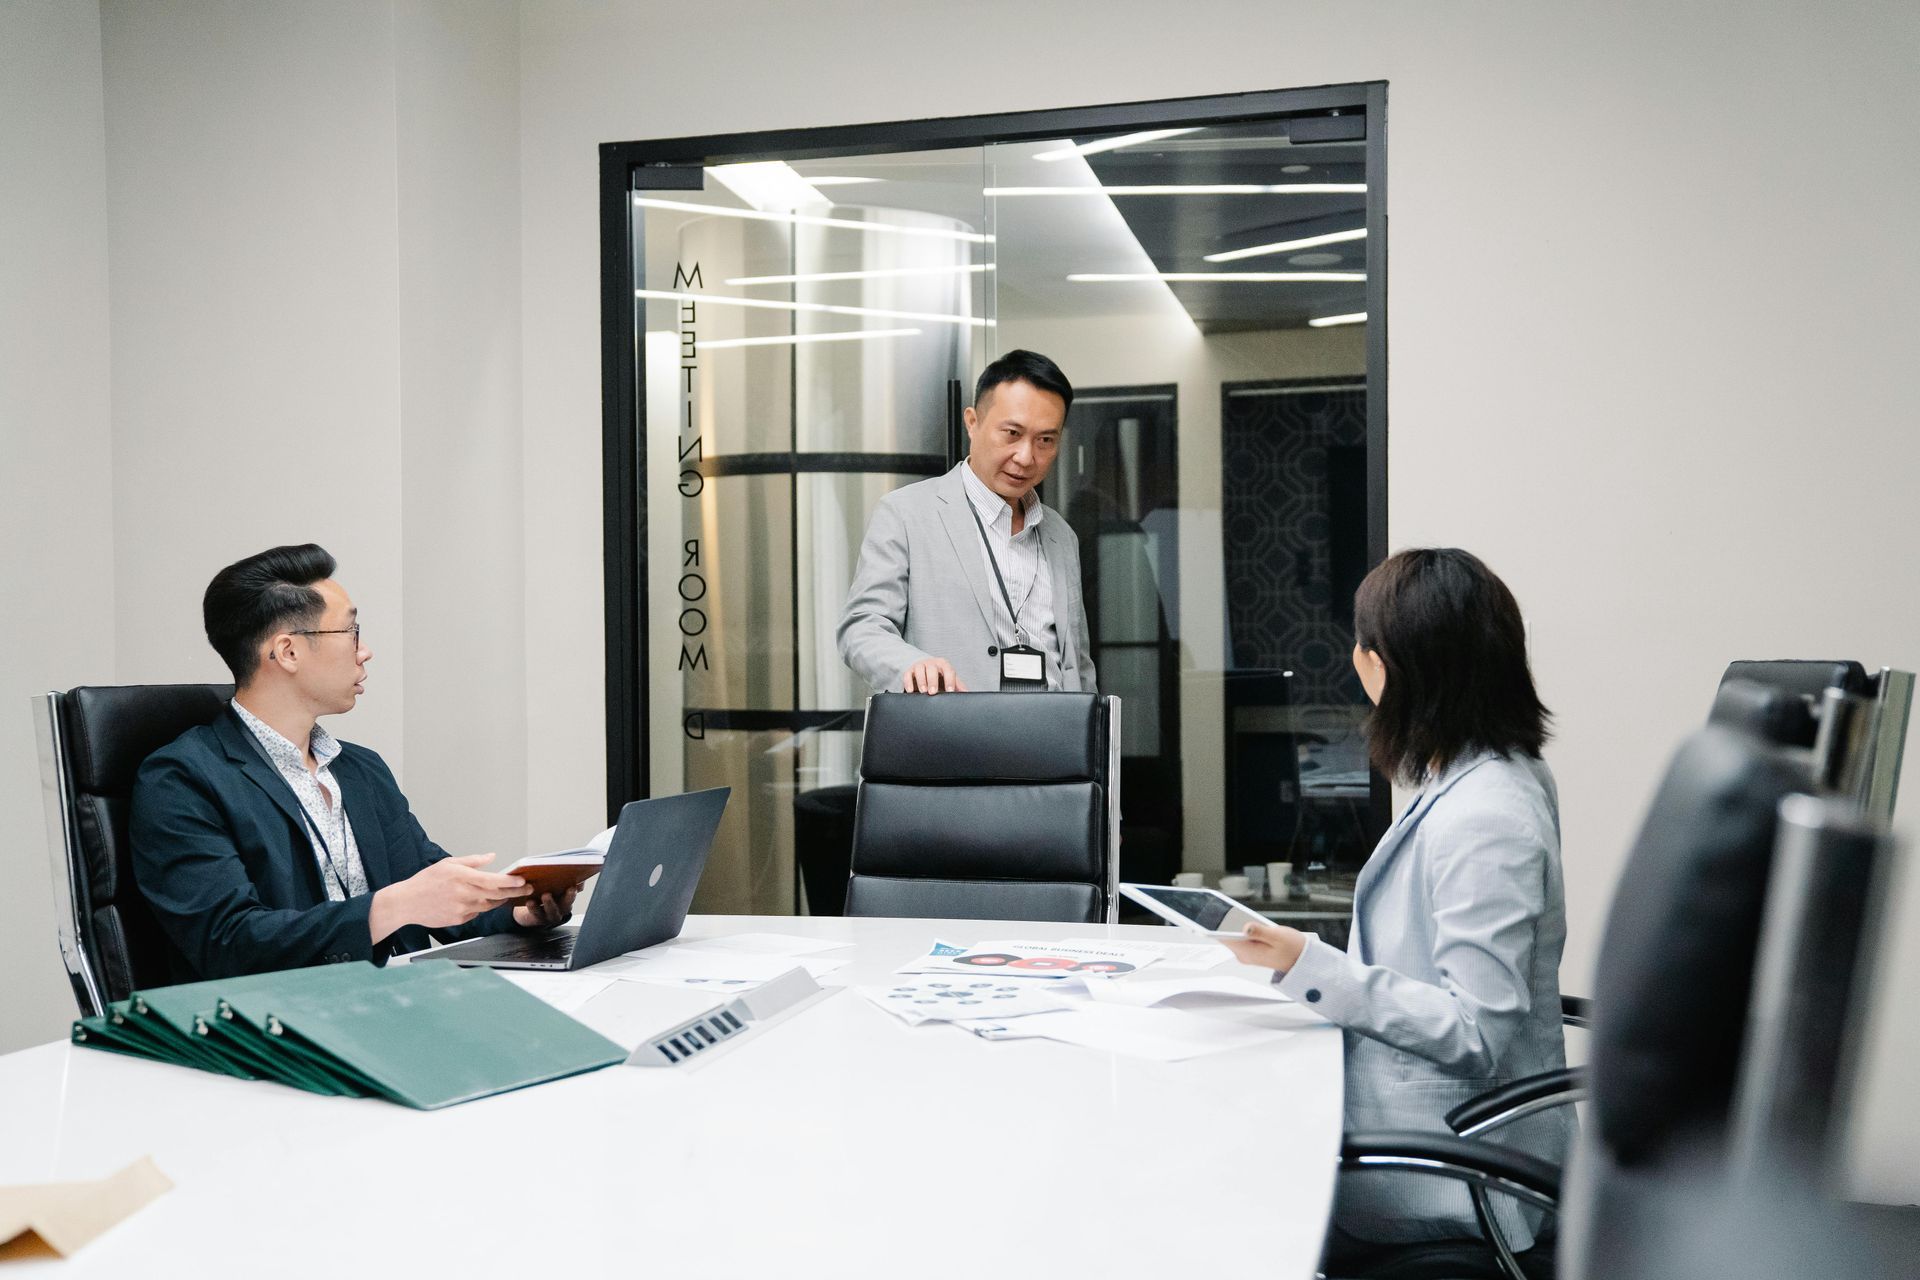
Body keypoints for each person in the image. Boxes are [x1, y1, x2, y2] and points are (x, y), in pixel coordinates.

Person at [1222, 548, 1572, 1257]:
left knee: (1224, 1193)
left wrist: (1312, 967)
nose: (1356, 656)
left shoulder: (1485, 817)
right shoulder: (1492, 772)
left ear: (1404, 666)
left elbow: (1478, 1034)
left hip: (1445, 1166)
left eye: (1365, 642)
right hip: (1426, 1125)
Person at [131, 544, 574, 980]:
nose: (364, 652)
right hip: (282, 1023)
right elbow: (230, 943)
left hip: (400, 999)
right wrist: (395, 906)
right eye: (351, 633)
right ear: (288, 652)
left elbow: (436, 896)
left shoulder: (359, 769)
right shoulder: (181, 780)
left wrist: (520, 911)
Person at [837, 349, 1096, 695]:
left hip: (1054, 740)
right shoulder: (906, 514)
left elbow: (1077, 661)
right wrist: (911, 665)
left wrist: (1094, 737)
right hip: (953, 737)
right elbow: (862, 628)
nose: (1026, 456)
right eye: (1012, 433)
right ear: (972, 423)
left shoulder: (1060, 536)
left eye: (1045, 440)